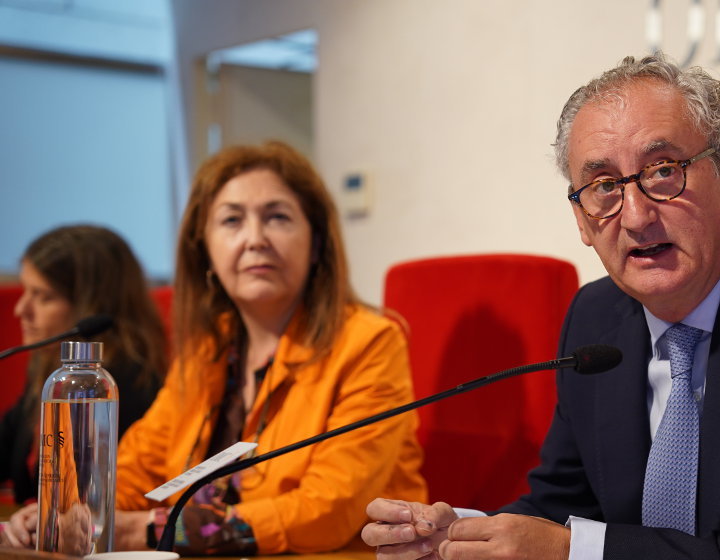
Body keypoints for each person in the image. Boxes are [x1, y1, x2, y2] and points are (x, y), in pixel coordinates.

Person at [360, 54, 720, 560]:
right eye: (603, 187)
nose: (637, 216)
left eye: (663, 172)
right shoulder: (595, 318)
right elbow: (564, 503)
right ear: (582, 223)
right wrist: (455, 532)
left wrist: (574, 551)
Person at [1, 141, 428, 555]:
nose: (255, 238)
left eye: (277, 217)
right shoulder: (207, 350)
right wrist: (67, 511)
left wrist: (153, 530)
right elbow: (136, 466)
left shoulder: (370, 342)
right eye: (232, 221)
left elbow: (328, 510)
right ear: (204, 249)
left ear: (316, 244)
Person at [0, 225, 167, 505]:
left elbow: (87, 499)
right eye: (26, 291)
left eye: (43, 296)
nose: (21, 310)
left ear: (91, 307)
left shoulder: (115, 387)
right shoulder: (50, 370)